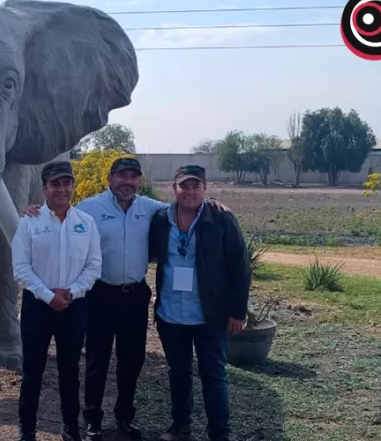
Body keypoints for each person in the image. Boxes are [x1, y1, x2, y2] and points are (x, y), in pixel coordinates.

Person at [24, 156, 228, 440]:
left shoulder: (153, 210)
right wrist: (35, 210)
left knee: (132, 360)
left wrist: (213, 204)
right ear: (110, 180)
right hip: (99, 294)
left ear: (139, 181)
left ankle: (125, 418)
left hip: (135, 296)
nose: (127, 182)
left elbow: (187, 204)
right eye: (121, 176)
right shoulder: (89, 208)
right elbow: (63, 214)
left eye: (133, 176)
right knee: (97, 360)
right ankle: (93, 421)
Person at [148, 165, 250, 441]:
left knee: (213, 374)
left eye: (195, 186)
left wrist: (237, 312)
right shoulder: (160, 219)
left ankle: (219, 433)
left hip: (210, 315)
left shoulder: (221, 220)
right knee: (178, 372)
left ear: (205, 189)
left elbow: (240, 267)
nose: (189, 191)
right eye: (184, 186)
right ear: (174, 188)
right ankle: (180, 426)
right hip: (171, 313)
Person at [12, 160, 102, 441]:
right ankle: (27, 430)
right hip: (38, 306)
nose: (62, 189)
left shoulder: (85, 223)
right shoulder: (29, 222)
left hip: (74, 306)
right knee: (33, 371)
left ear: (72, 186)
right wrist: (49, 296)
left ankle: (70, 429)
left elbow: (94, 265)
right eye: (55, 184)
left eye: (67, 183)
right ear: (44, 188)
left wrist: (72, 292)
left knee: (69, 370)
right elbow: (21, 268)